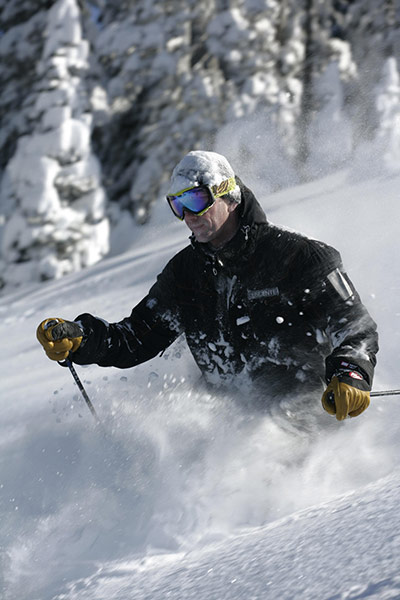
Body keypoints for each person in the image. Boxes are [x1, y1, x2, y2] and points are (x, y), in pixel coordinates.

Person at [37, 151, 378, 421]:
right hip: (227, 427)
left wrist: (351, 372)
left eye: (197, 200)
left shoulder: (298, 256)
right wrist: (83, 339)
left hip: (306, 416)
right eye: (178, 206)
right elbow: (135, 338)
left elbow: (354, 327)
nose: (189, 215)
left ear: (229, 196)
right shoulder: (185, 273)